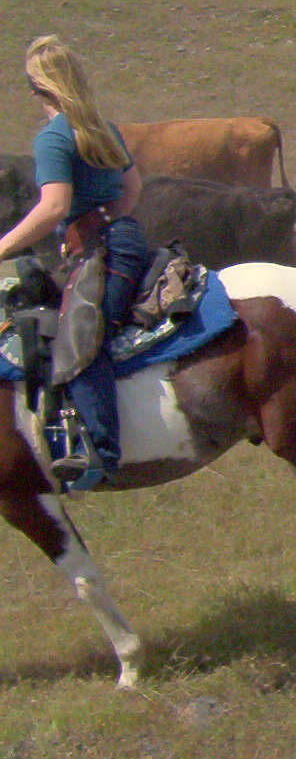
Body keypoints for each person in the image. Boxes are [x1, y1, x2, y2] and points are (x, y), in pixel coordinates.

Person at [0, 37, 151, 493]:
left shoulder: (52, 138)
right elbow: (133, 188)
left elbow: (52, 207)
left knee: (79, 340)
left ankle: (98, 454)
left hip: (100, 249)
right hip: (124, 239)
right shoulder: (103, 128)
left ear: (39, 89)